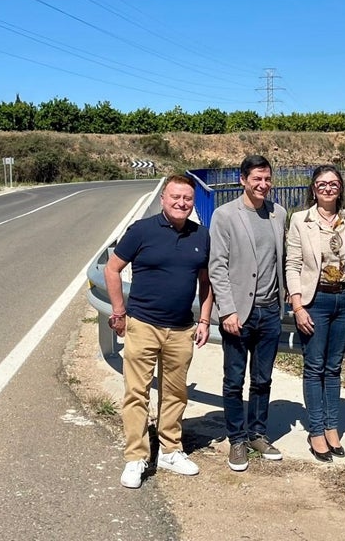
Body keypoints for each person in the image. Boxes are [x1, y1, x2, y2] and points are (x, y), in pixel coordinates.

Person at [104, 175, 214, 490]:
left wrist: (204, 320)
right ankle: (136, 457)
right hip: (142, 325)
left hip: (181, 328)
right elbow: (112, 269)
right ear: (163, 198)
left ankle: (170, 450)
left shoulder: (201, 235)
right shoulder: (141, 231)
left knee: (176, 393)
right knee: (136, 393)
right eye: (175, 197)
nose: (181, 203)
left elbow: (206, 283)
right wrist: (118, 311)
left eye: (187, 199)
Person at [209, 154, 287, 472]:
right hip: (238, 313)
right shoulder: (224, 215)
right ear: (243, 179)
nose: (263, 185)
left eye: (267, 179)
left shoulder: (279, 214)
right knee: (233, 380)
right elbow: (218, 267)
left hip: (270, 312)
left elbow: (283, 261)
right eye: (256, 178)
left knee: (263, 379)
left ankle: (257, 433)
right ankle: (237, 439)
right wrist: (226, 310)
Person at [284, 165, 345, 462]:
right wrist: (297, 305)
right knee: (314, 367)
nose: (328, 188)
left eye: (333, 183)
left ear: (341, 188)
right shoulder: (301, 220)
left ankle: (332, 427)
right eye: (322, 183)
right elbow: (292, 264)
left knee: (334, 367)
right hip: (316, 301)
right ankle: (316, 431)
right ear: (313, 188)